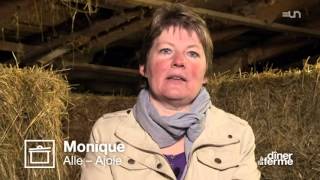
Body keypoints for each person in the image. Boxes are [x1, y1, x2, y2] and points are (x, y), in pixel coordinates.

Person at [81, 3, 260, 180]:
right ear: (144, 67)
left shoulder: (238, 134)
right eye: (166, 50)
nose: (179, 61)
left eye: (192, 53)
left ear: (206, 73)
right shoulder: (107, 133)